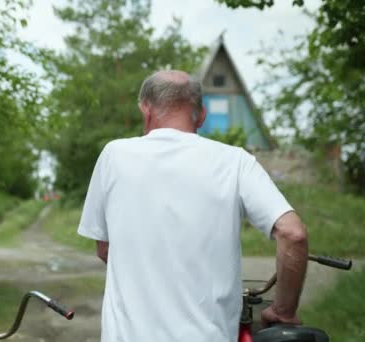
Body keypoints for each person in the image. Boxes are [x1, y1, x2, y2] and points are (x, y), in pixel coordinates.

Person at [77, 70, 308, 341]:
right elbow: (293, 234)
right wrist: (283, 312)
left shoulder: (114, 155)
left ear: (145, 108)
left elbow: (105, 249)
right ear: (201, 115)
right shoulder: (235, 162)